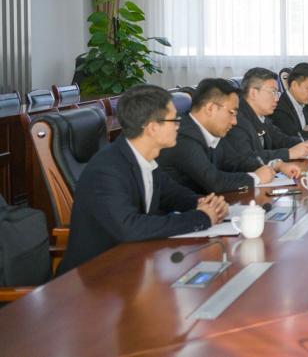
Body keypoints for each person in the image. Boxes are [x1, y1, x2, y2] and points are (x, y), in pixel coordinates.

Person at [58, 85, 228, 274]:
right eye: (174, 120)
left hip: (133, 263)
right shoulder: (107, 169)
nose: (179, 126)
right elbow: (130, 227)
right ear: (153, 128)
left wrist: (205, 203)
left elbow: (172, 194)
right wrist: (202, 217)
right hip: (94, 275)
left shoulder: (143, 158)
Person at [156, 78, 275, 194]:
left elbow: (235, 161)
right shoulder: (183, 137)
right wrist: (256, 177)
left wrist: (274, 165)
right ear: (210, 109)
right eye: (231, 113)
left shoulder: (211, 131)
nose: (234, 122)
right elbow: (215, 182)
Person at [217, 67, 308, 177]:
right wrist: (289, 153)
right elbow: (246, 158)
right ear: (253, 93)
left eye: (277, 93)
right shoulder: (236, 119)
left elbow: (280, 139)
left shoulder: (261, 116)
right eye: (273, 92)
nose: (277, 99)